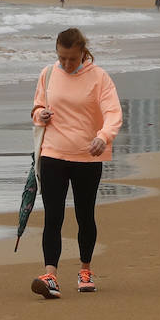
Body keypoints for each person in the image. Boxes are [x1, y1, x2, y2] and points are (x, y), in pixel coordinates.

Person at [30, 27, 123, 300]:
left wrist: (103, 137)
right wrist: (40, 115)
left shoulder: (99, 78)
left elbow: (113, 113)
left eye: (72, 58)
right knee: (53, 217)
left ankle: (85, 270)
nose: (67, 64)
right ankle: (50, 275)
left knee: (85, 215)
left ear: (83, 53)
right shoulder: (48, 74)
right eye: (62, 58)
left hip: (87, 156)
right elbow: (36, 107)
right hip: (52, 154)